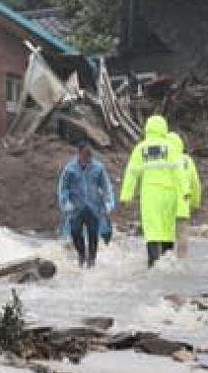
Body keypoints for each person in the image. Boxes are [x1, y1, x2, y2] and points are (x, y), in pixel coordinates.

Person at [121, 114, 183, 267]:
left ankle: (153, 264)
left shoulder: (140, 149)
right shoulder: (171, 148)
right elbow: (179, 172)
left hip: (150, 195)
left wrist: (126, 195)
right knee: (167, 228)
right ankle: (168, 261)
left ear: (147, 129)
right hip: (169, 195)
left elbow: (132, 173)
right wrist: (185, 192)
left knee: (152, 229)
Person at [57, 141, 115, 269]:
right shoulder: (70, 169)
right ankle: (82, 255)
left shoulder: (98, 168)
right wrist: (65, 202)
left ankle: (92, 261)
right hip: (76, 208)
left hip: (93, 207)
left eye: (89, 157)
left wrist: (109, 202)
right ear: (79, 154)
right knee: (75, 232)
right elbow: (63, 188)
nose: (87, 160)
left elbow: (106, 186)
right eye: (85, 157)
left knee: (93, 233)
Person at [168, 132, 202, 257]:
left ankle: (164, 259)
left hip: (164, 205)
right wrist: (195, 202)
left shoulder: (163, 160)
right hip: (182, 205)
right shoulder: (187, 161)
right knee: (182, 234)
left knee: (164, 234)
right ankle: (182, 258)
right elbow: (195, 184)